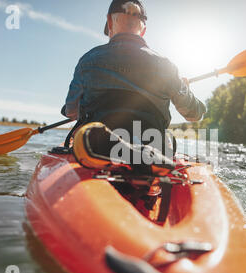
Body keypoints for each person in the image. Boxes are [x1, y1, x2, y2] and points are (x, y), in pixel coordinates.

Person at [62, 0, 206, 160]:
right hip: (152, 144)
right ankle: (142, 151)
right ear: (143, 29)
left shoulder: (87, 61)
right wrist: (184, 88)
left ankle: (114, 143)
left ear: (110, 22)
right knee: (158, 140)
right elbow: (194, 114)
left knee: (86, 132)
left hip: (97, 149)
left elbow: (70, 111)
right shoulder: (166, 67)